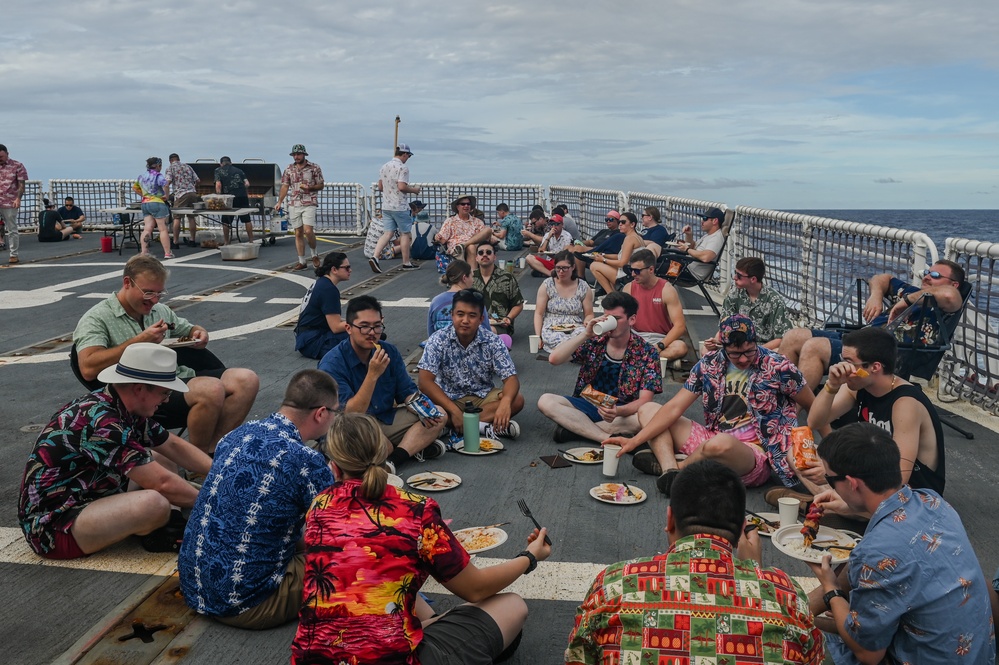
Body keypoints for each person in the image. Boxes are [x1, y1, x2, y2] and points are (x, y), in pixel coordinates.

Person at [290, 412, 552, 664]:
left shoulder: (319, 506)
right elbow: (476, 588)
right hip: (391, 658)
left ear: (334, 468)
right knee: (513, 605)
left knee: (399, 590)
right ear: (384, 454)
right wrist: (529, 557)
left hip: (316, 656)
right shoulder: (416, 509)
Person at [566, 460, 824, 665]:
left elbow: (579, 657)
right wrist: (758, 577)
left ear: (670, 520)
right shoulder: (787, 594)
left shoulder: (615, 583)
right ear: (742, 529)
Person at [805, 423, 994, 664]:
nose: (832, 486)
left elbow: (869, 654)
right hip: (977, 654)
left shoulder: (874, 553)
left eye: (831, 481)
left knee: (827, 634)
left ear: (852, 483)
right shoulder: (933, 501)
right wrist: (854, 506)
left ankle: (802, 612)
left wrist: (831, 589)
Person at [18, 343, 211, 559]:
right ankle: (161, 524)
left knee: (160, 457)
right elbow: (162, 483)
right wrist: (216, 500)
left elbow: (172, 445)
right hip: (55, 526)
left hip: (88, 493)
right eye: (164, 393)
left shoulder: (116, 402)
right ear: (139, 389)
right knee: (154, 503)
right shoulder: (103, 423)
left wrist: (219, 472)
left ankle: (166, 525)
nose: (166, 400)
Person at [178, 370, 339, 630]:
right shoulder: (307, 461)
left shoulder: (234, 436)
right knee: (346, 556)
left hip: (194, 589)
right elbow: (341, 530)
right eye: (335, 413)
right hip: (247, 605)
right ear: (321, 413)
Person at [606, 314, 815, 496]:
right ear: (723, 347)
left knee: (720, 444)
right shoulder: (709, 364)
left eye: (749, 351)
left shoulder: (778, 366)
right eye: (735, 353)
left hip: (753, 454)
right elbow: (674, 407)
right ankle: (669, 471)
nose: (743, 359)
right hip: (710, 437)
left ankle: (680, 468)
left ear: (756, 342)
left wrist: (825, 444)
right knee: (648, 409)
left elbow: (811, 405)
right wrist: (633, 442)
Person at [73, 255, 260, 454]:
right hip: (138, 394)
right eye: (148, 293)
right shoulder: (96, 318)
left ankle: (212, 452)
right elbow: (88, 368)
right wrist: (139, 342)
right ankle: (198, 462)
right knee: (211, 389)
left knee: (247, 380)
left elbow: (188, 329)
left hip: (172, 381)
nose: (153, 300)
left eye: (159, 294)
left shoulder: (159, 310)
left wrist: (198, 333)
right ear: (127, 283)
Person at [784, 327, 947, 511]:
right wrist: (831, 385)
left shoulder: (905, 403)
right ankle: (836, 506)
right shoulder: (858, 385)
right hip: (873, 472)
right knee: (796, 454)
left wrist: (835, 476)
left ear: (875, 367)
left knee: (845, 487)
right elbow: (815, 422)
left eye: (849, 363)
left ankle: (832, 507)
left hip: (912, 496)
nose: (841, 368)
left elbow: (898, 479)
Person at [779, 260, 966, 389]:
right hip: (858, 340)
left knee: (814, 347)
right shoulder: (912, 290)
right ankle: (774, 401)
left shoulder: (947, 306)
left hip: (882, 357)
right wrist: (876, 295)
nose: (926, 277)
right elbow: (882, 278)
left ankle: (789, 420)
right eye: (926, 272)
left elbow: (949, 295)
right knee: (795, 336)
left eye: (934, 275)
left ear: (954, 284)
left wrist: (905, 301)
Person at [319, 296, 446, 470]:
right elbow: (351, 415)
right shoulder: (332, 363)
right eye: (364, 326)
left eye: (377, 326)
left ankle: (395, 459)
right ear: (348, 328)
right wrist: (372, 375)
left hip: (384, 419)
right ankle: (412, 447)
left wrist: (423, 409)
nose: (372, 332)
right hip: (348, 428)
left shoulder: (389, 351)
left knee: (439, 415)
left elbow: (406, 392)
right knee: (380, 445)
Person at [539, 291, 662, 444]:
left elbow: (645, 401)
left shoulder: (647, 352)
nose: (611, 323)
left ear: (632, 320)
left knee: (649, 417)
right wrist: (585, 334)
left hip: (621, 411)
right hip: (588, 404)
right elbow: (554, 359)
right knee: (546, 401)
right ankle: (606, 438)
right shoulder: (595, 341)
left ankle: (577, 430)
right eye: (607, 318)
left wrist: (618, 411)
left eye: (616, 318)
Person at [419, 288, 524, 440]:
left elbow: (511, 378)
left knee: (516, 399)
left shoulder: (492, 341)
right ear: (452, 315)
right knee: (428, 409)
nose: (465, 320)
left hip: (482, 397)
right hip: (447, 398)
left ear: (481, 319)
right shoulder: (438, 339)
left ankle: (454, 426)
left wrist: (506, 403)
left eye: (472, 315)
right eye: (460, 314)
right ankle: (482, 426)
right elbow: (424, 382)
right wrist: (453, 410)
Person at [704, 256, 793, 353]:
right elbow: (725, 326)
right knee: (706, 350)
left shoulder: (775, 301)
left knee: (780, 353)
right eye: (735, 273)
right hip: (736, 345)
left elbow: (781, 338)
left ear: (753, 279)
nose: (734, 278)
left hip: (763, 348)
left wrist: (754, 350)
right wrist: (716, 342)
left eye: (739, 276)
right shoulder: (733, 296)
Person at [622, 248, 688, 360]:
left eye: (637, 271)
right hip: (635, 336)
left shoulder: (667, 290)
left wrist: (660, 346)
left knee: (680, 347)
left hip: (661, 338)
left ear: (651, 269)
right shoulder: (628, 288)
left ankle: (639, 357)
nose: (633, 274)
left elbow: (680, 326)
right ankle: (654, 359)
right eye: (631, 270)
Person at [371, 143, 421, 272]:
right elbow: (402, 187)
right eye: (408, 156)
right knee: (405, 234)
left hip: (386, 206)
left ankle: (375, 256)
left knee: (388, 233)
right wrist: (414, 190)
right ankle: (406, 263)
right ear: (404, 154)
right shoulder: (403, 168)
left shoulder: (383, 167)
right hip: (399, 206)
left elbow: (381, 187)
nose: (408, 158)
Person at [275, 144, 324, 270]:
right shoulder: (289, 169)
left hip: (309, 202)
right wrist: (280, 201)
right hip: (294, 203)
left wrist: (310, 188)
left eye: (298, 154)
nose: (296, 157)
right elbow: (285, 186)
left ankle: (314, 254)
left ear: (304, 155)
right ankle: (302, 261)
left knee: (308, 231)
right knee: (298, 233)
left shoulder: (314, 167)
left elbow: (321, 185)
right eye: (294, 155)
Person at [535, 250, 594, 352]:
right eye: (558, 268)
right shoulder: (548, 284)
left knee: (583, 337)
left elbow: (589, 313)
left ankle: (566, 351)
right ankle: (572, 351)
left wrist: (587, 321)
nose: (561, 272)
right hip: (552, 325)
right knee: (558, 339)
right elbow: (539, 313)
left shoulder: (583, 286)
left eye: (565, 268)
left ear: (573, 267)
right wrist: (538, 336)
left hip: (575, 325)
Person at [295, 251, 351, 359]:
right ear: (334, 270)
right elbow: (335, 327)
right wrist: (362, 324)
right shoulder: (329, 290)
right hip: (314, 341)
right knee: (364, 337)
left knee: (367, 334)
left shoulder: (322, 283)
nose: (350, 270)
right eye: (347, 267)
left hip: (306, 337)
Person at [428, 259, 497, 338]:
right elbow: (486, 332)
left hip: (440, 345)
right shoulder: (474, 299)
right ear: (464, 278)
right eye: (472, 276)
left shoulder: (436, 301)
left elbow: (431, 333)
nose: (473, 280)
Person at [472, 242, 525, 336]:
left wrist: (508, 318)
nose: (484, 255)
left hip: (500, 325)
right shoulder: (470, 278)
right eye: (481, 253)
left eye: (488, 252)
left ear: (494, 257)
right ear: (476, 258)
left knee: (487, 332)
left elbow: (518, 304)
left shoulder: (507, 277)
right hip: (474, 323)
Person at [588, 211, 644, 295]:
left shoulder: (629, 239)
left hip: (628, 274)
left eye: (623, 222)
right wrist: (604, 255)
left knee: (594, 265)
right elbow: (621, 256)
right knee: (604, 264)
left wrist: (603, 260)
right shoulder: (637, 237)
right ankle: (613, 295)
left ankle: (611, 295)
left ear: (632, 224)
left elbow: (622, 263)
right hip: (635, 271)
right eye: (619, 222)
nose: (620, 224)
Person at [132, 156, 173, 259]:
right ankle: (167, 253)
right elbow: (166, 185)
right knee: (162, 229)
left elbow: (135, 188)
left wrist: (144, 196)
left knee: (147, 228)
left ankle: (144, 252)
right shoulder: (158, 176)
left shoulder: (142, 176)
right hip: (157, 203)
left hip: (145, 203)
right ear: (158, 165)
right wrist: (166, 196)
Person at [434, 194, 492, 264]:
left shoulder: (478, 222)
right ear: (457, 207)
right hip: (457, 250)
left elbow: (485, 237)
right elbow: (442, 240)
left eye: (468, 204)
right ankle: (473, 273)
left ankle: (464, 245)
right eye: (463, 204)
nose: (466, 206)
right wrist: (437, 237)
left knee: (488, 230)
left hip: (474, 247)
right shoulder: (450, 221)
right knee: (471, 247)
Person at [671, 206, 726, 280]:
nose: (702, 221)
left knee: (655, 265)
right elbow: (693, 247)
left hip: (691, 274)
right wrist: (689, 234)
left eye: (705, 219)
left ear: (715, 221)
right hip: (685, 268)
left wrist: (687, 250)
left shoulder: (716, 238)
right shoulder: (708, 235)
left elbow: (706, 257)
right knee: (658, 257)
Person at [569, 210, 624, 279]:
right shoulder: (603, 231)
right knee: (569, 247)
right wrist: (577, 242)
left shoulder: (618, 233)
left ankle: (581, 278)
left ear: (617, 221)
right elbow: (591, 242)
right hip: (592, 249)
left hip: (600, 251)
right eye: (606, 220)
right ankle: (566, 273)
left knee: (579, 249)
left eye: (611, 219)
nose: (608, 221)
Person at [213, 155, 254, 246]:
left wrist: (219, 196)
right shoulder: (239, 170)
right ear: (231, 163)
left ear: (221, 164)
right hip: (242, 197)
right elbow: (247, 183)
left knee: (226, 221)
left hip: (228, 198)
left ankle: (227, 242)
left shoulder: (218, 171)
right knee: (247, 219)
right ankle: (251, 241)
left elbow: (218, 185)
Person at [0, 143, 27, 264]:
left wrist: (18, 199)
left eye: (1, 156)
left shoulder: (17, 166)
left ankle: (13, 254)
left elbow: (21, 184)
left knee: (11, 228)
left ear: (7, 154)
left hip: (10, 201)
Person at [166, 154, 200, 249]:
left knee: (177, 218)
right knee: (191, 217)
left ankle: (175, 242)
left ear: (170, 160)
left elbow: (167, 182)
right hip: (193, 193)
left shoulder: (170, 168)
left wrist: (166, 194)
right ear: (179, 159)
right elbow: (198, 180)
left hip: (181, 194)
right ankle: (192, 240)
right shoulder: (187, 166)